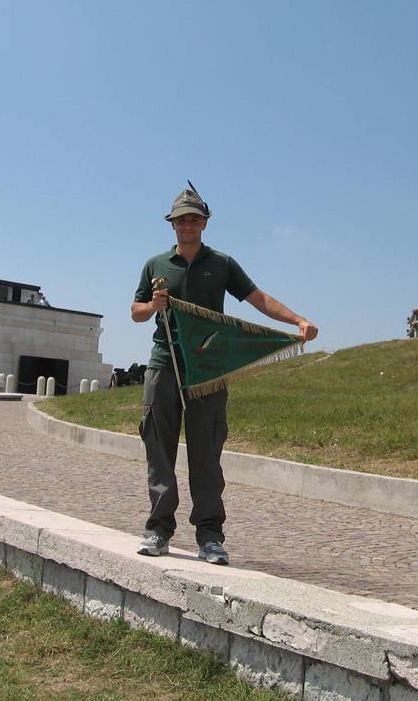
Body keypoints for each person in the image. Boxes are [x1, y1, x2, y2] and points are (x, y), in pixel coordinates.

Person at [131, 187, 317, 564]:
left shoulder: (223, 264)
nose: (188, 224)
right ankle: (158, 530)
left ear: (205, 223)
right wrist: (154, 305)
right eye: (182, 219)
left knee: (207, 454)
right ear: (172, 224)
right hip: (164, 365)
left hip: (209, 372)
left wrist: (298, 320)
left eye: (194, 219)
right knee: (159, 451)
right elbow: (135, 312)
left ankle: (210, 536)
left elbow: (258, 298)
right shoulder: (155, 265)